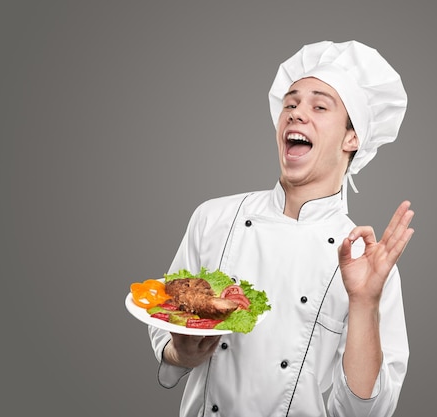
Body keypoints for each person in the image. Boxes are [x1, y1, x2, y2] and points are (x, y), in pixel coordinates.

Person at [148, 40, 414, 417]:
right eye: (290, 104)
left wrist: (364, 303)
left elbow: (364, 412)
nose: (295, 113)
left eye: (319, 106)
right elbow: (165, 321)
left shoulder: (366, 263)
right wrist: (179, 351)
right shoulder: (213, 218)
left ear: (352, 138)